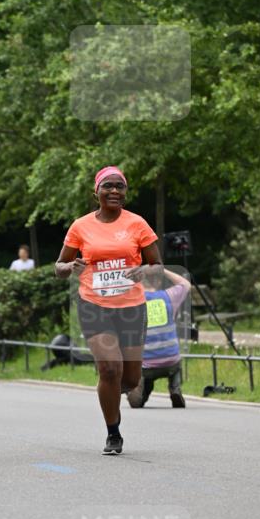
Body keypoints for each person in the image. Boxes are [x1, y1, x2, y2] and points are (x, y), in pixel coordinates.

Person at [55, 166, 162, 455]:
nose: (114, 190)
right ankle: (113, 432)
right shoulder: (80, 226)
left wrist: (144, 271)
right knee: (110, 368)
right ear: (97, 192)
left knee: (130, 379)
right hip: (94, 305)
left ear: (125, 192)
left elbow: (157, 266)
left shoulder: (137, 224)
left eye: (120, 186)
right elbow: (59, 266)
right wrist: (70, 266)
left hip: (131, 308)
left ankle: (115, 386)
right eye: (108, 186)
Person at [126, 268, 191, 408]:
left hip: (146, 364)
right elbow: (185, 284)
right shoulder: (169, 296)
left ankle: (140, 392)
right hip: (171, 360)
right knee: (176, 367)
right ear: (159, 281)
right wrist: (163, 270)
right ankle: (175, 388)